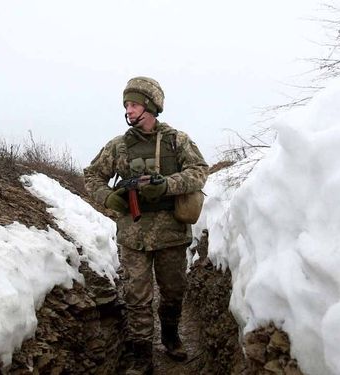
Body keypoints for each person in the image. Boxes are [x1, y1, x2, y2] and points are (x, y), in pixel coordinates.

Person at [84, 76, 208, 374]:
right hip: (133, 234)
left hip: (171, 234)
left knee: (174, 291)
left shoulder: (177, 141)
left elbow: (199, 172)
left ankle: (170, 336)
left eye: (134, 104)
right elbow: (91, 176)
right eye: (126, 104)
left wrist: (166, 186)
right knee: (137, 296)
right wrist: (109, 197)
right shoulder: (118, 147)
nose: (128, 109)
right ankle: (141, 355)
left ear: (150, 106)